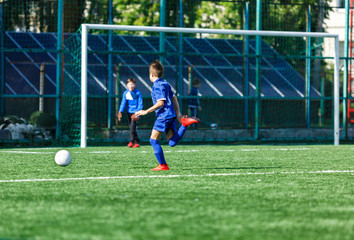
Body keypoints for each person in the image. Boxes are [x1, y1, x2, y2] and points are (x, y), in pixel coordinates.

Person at [135, 59, 200, 171]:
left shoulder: (157, 86)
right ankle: (184, 125)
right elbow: (174, 97)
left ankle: (163, 165)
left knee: (153, 140)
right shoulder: (165, 84)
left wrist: (146, 111)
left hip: (163, 117)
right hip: (171, 115)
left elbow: (161, 102)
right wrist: (178, 113)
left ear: (151, 74)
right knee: (171, 142)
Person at [118, 78, 143, 148]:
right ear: (127, 85)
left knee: (132, 128)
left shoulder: (138, 93)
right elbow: (123, 103)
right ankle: (137, 142)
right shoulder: (125, 93)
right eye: (129, 84)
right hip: (128, 113)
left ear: (135, 85)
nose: (131, 86)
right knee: (132, 128)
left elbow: (140, 104)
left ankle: (131, 141)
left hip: (135, 113)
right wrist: (120, 111)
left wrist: (137, 113)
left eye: (132, 84)